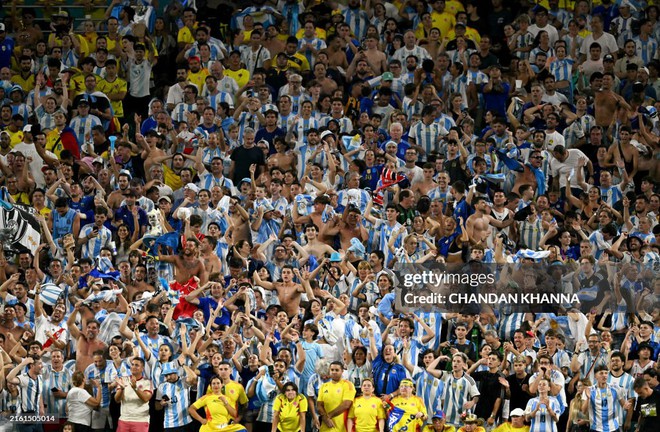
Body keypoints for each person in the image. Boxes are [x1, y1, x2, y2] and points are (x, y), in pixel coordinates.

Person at [114, 358, 152, 432]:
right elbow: (117, 400)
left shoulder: (147, 382)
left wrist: (135, 388)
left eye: (137, 365)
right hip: (124, 419)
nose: (133, 367)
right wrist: (122, 389)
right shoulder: (123, 380)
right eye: (132, 364)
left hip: (141, 420)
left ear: (142, 368)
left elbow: (146, 398)